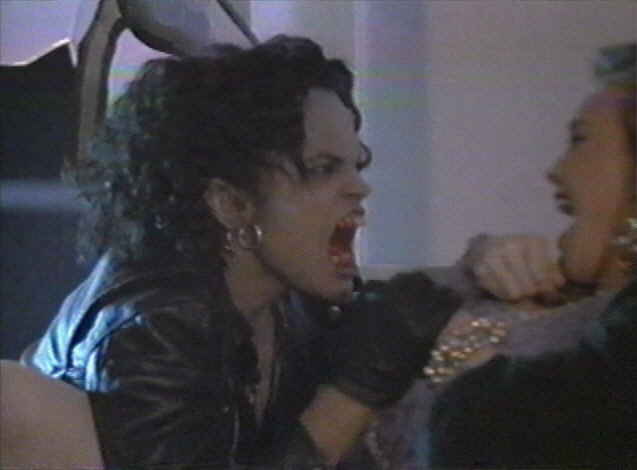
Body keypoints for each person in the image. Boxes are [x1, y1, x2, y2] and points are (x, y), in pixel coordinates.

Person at [16, 36, 461, 469]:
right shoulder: (157, 331)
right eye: (323, 169)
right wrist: (353, 395)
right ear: (231, 203)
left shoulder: (285, 298)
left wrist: (477, 272)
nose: (359, 187)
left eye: (354, 165)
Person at [352, 42, 636, 468]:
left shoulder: (608, 359)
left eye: (580, 140)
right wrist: (474, 268)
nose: (556, 170)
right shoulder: (545, 292)